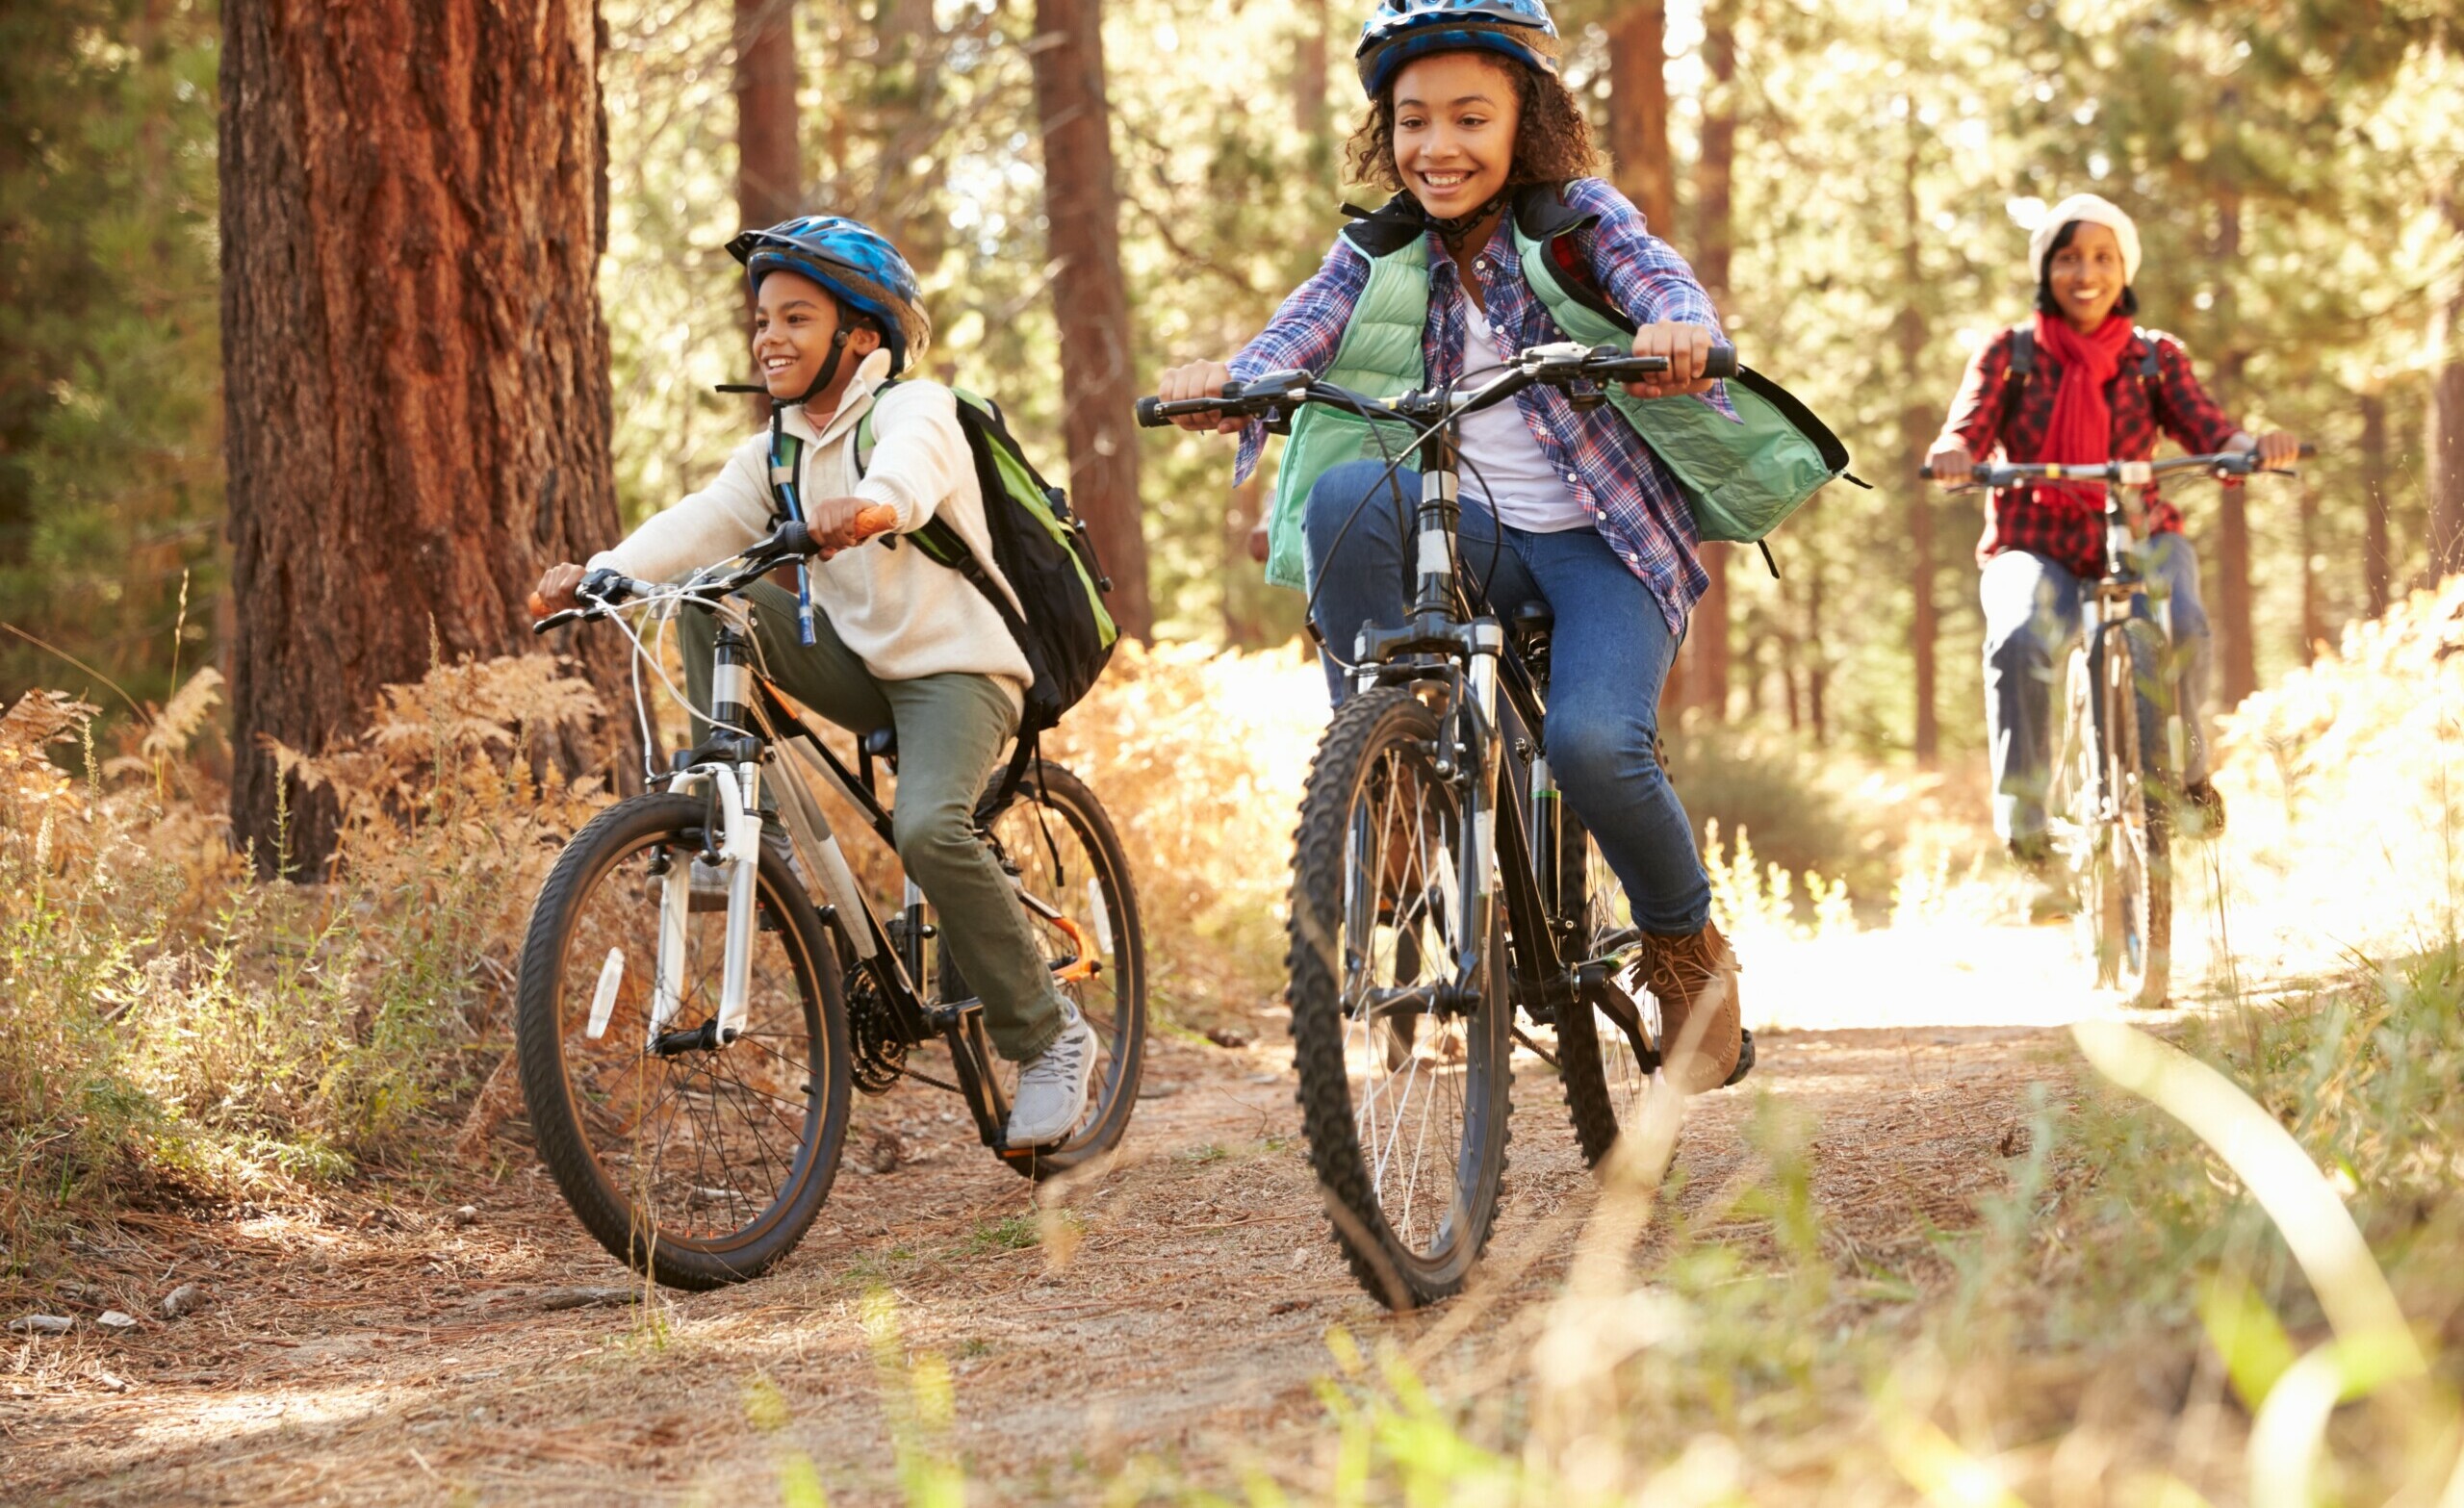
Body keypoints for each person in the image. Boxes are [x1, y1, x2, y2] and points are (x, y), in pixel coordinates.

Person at [1154, 0, 1745, 1092]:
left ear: (1529, 121)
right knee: (1343, 497)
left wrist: (1678, 332)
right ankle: (1394, 774)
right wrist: (1229, 385)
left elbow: (1660, 281)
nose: (1437, 147)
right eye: (1413, 120)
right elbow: (1294, 334)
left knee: (1591, 745)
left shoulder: (1580, 219)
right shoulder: (1377, 248)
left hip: (1599, 543)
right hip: (1462, 534)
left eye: (1470, 118)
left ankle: (1685, 953)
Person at [531, 216, 1097, 1146]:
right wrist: (603, 571)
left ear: (861, 335)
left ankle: (1047, 1038)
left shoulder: (918, 410)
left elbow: (910, 477)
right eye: (761, 320)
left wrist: (873, 506)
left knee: (926, 826)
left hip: (961, 669)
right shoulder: (775, 452)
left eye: (796, 317)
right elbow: (704, 519)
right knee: (711, 593)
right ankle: (732, 804)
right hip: (863, 666)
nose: (769, 337)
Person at [1926, 193, 2298, 921]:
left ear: (2124, 267)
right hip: (2034, 540)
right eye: (2068, 257)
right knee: (2020, 640)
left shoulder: (2156, 359)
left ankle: (2188, 780)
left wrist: (2251, 447)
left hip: (2141, 531)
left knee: (2184, 624)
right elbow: (1966, 429)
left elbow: (2210, 429)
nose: (2085, 272)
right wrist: (1956, 453)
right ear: (2047, 270)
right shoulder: (2010, 355)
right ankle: (2033, 840)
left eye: (2102, 257)